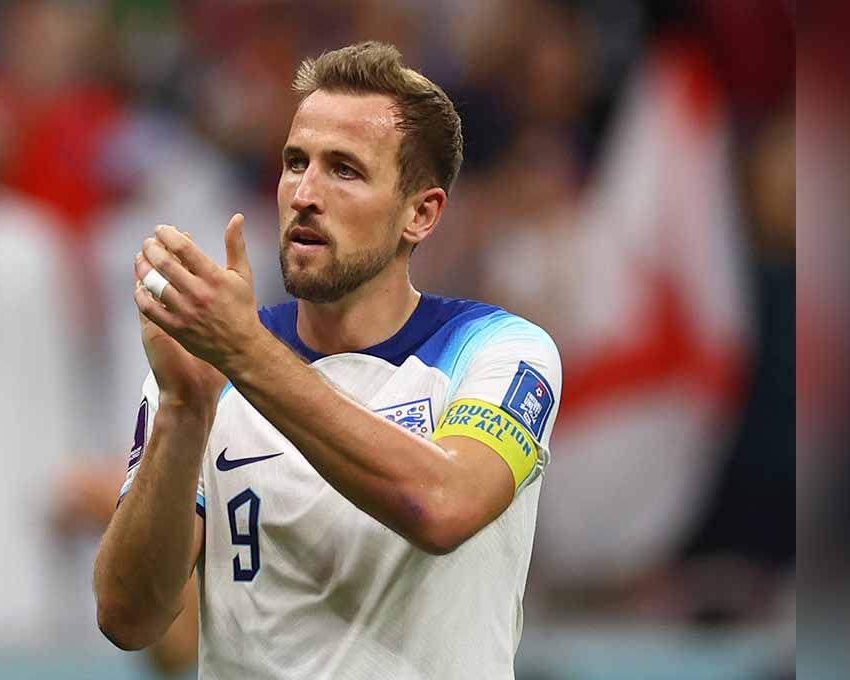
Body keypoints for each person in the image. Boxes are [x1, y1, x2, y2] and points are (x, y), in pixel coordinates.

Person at [93, 42, 562, 679]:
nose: (305, 193)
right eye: (295, 162)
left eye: (344, 169)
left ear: (420, 213)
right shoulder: (205, 374)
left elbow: (442, 504)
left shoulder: (501, 351)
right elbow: (129, 618)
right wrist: (183, 410)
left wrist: (245, 354)